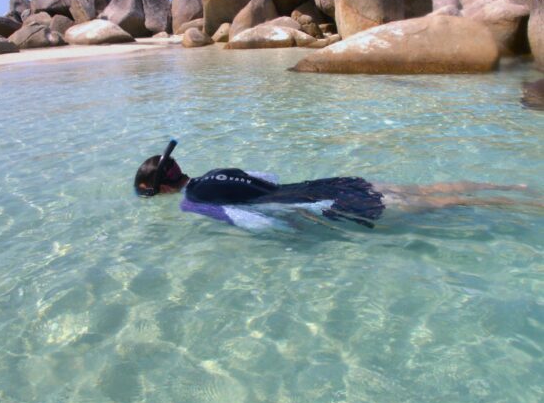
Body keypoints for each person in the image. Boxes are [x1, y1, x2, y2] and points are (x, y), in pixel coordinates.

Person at [134, 140, 537, 230]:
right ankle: (515, 189)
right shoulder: (216, 172)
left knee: (433, 207)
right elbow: (267, 180)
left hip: (320, 200)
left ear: (161, 190)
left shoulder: (192, 201)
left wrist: (287, 235)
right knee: (425, 191)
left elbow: (248, 221)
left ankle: (511, 205)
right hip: (325, 182)